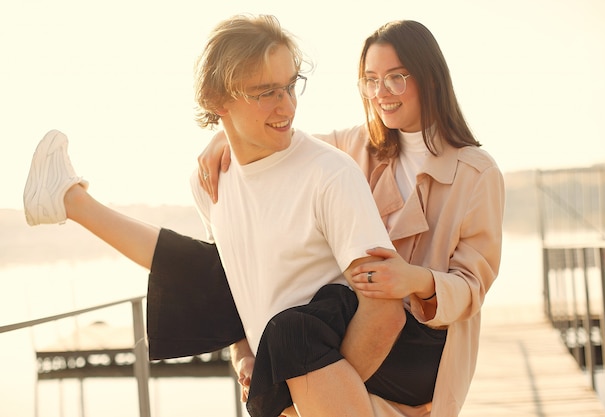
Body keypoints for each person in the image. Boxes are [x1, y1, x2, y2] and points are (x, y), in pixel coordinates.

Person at [23, 14, 447, 417]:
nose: (285, 107)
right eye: (266, 93)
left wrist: (305, 395)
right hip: (302, 361)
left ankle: (70, 201)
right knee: (209, 268)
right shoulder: (210, 182)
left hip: (389, 358)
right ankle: (71, 202)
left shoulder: (329, 174)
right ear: (216, 100)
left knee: (289, 332)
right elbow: (238, 285)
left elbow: (385, 313)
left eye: (290, 87)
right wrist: (243, 351)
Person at [198, 19, 506, 417]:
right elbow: (275, 137)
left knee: (294, 337)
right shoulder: (354, 144)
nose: (382, 94)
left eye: (396, 78)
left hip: (421, 347)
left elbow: (472, 287)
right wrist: (224, 131)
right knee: (290, 330)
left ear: (430, 79)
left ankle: (283, 406)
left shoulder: (476, 173)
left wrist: (415, 279)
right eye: (371, 80)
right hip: (359, 322)